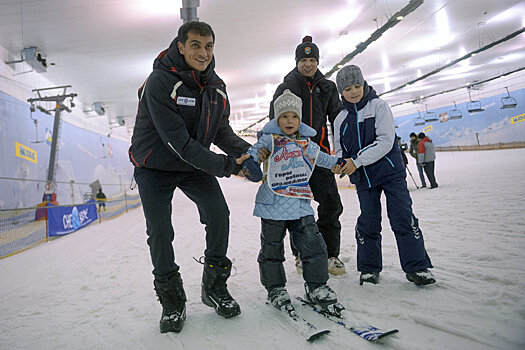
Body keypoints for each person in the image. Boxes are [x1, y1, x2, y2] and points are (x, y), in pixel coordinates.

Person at [128, 21, 259, 333]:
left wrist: (250, 152)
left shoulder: (216, 86)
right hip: (154, 166)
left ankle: (214, 287)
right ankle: (172, 300)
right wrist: (231, 166)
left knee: (218, 214)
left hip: (191, 163)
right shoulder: (159, 82)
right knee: (160, 232)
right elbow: (179, 143)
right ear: (181, 46)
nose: (203, 52)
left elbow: (221, 131)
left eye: (209, 46)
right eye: (196, 45)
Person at [241, 90, 351, 311]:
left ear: (299, 120)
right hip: (272, 204)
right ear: (276, 119)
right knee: (271, 249)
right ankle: (275, 288)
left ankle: (317, 286)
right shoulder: (269, 140)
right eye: (284, 116)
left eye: (293, 116)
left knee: (314, 245)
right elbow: (253, 153)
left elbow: (322, 158)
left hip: (300, 204)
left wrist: (338, 163)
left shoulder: (306, 144)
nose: (289, 121)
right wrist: (251, 163)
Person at [333, 65, 435, 286]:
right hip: (364, 179)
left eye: (357, 86)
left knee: (402, 217)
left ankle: (417, 267)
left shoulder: (378, 107)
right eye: (348, 88)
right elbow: (340, 150)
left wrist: (356, 161)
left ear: (364, 84)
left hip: (390, 173)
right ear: (341, 92)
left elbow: (386, 142)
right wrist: (341, 164)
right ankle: (369, 268)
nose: (353, 91)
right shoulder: (340, 119)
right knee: (368, 222)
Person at [269, 35, 345, 275]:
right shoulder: (287, 87)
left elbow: (338, 119)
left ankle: (331, 255)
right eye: (304, 60)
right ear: (297, 61)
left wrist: (342, 152)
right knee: (298, 208)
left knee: (331, 204)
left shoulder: (327, 87)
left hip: (320, 156)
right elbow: (275, 120)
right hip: (294, 159)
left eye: (312, 59)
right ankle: (301, 255)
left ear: (318, 61)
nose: (308, 64)